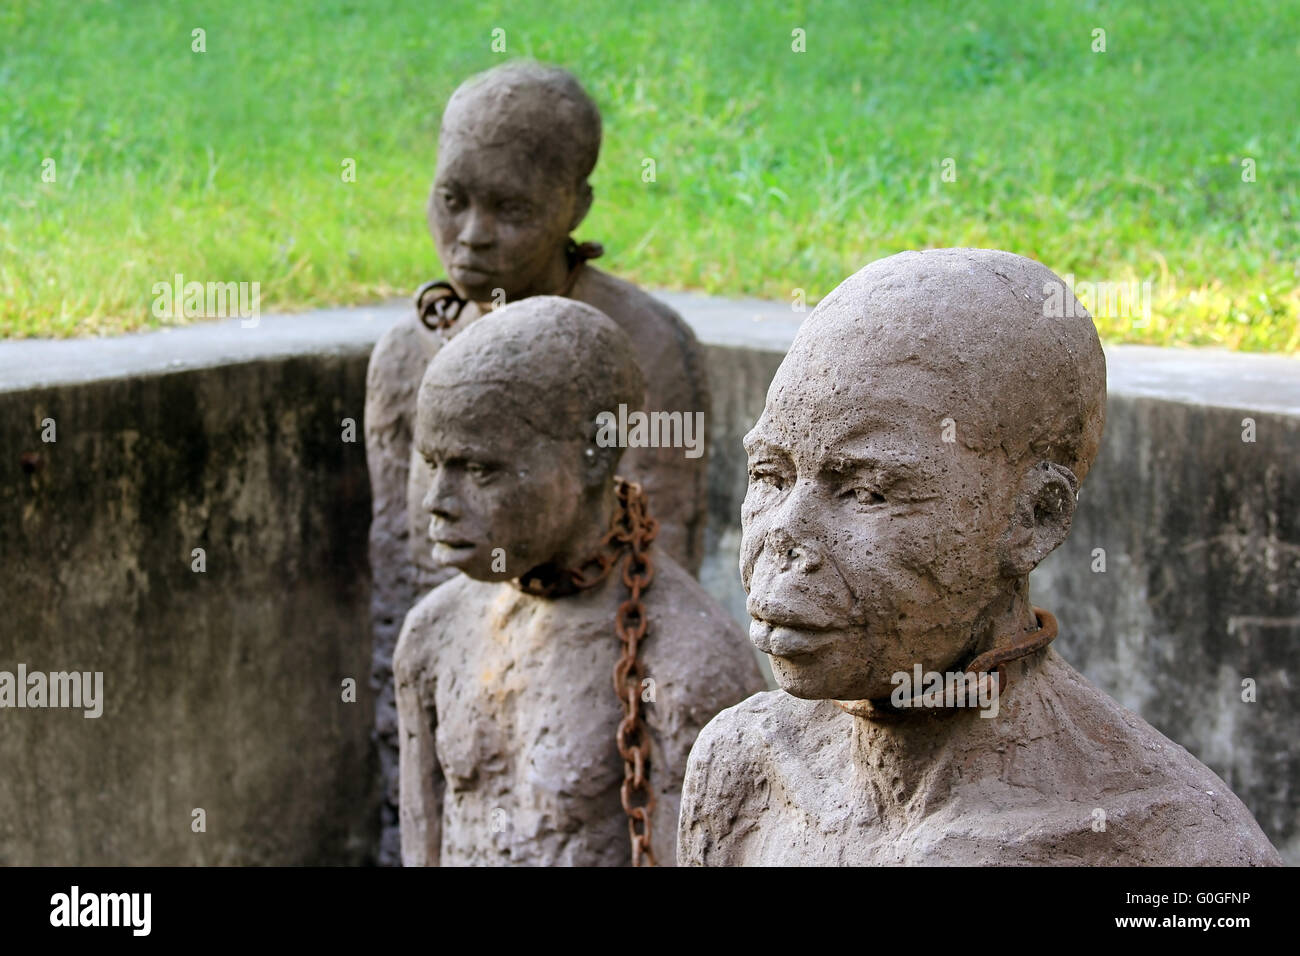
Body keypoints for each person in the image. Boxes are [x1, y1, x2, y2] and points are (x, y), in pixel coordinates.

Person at [677, 248, 1282, 866]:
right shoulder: (743, 769)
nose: (786, 538)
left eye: (868, 491)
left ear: (1035, 519)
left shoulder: (1174, 847)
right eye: (771, 476)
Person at [395, 297, 762, 866]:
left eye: (479, 469)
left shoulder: (689, 667)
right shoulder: (431, 637)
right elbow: (423, 839)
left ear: (595, 455)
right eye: (432, 462)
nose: (437, 502)